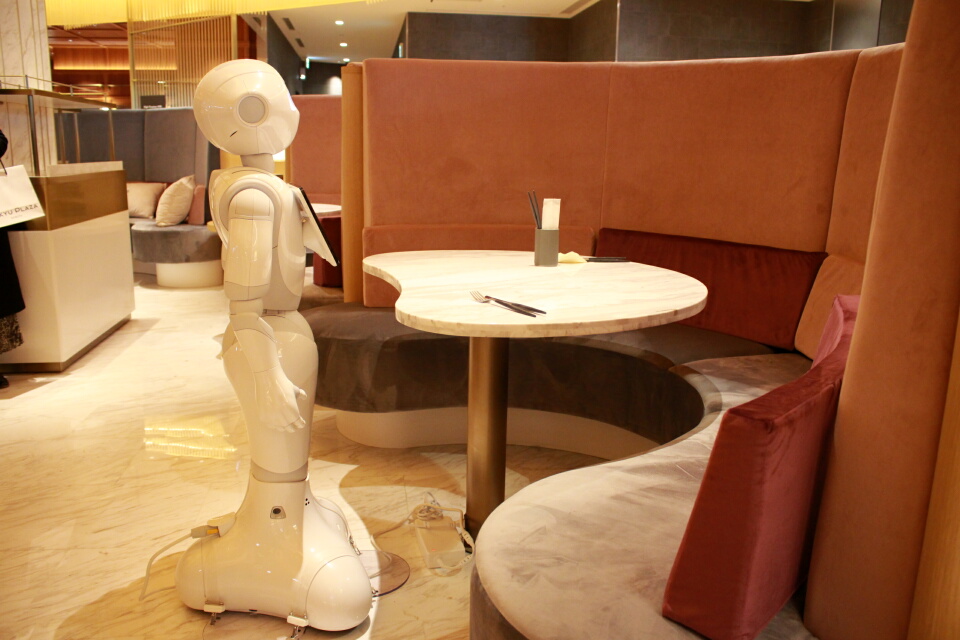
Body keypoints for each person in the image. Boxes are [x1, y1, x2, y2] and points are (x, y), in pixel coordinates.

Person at [175, 59, 371, 632]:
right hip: (268, 340)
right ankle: (274, 543)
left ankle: (290, 518)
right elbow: (243, 301)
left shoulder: (253, 186)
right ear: (255, 111)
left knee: (289, 460)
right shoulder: (254, 198)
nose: (294, 108)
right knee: (279, 458)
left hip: (279, 335)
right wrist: (269, 376)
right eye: (281, 98)